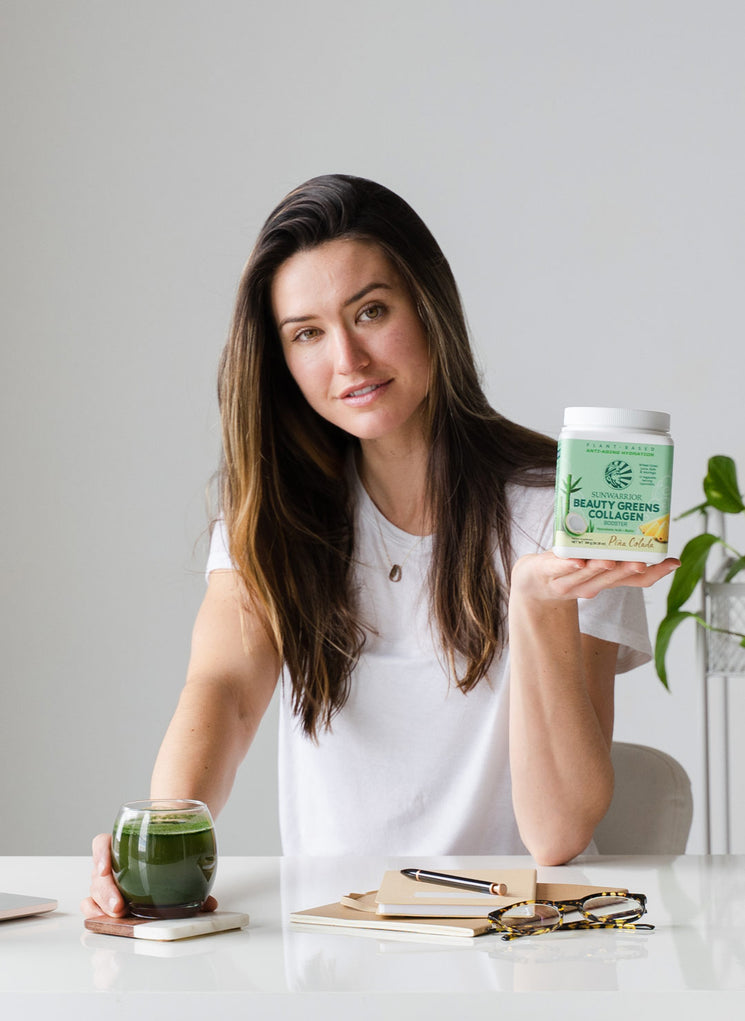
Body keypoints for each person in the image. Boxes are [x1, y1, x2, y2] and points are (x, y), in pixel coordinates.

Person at [82, 174, 677, 918]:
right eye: (307, 333)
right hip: (339, 936)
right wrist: (158, 839)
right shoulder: (273, 517)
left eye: (370, 311)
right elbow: (224, 693)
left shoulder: (564, 510)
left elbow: (557, 835)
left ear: (428, 307)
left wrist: (535, 603)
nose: (348, 359)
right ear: (281, 359)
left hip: (519, 937)